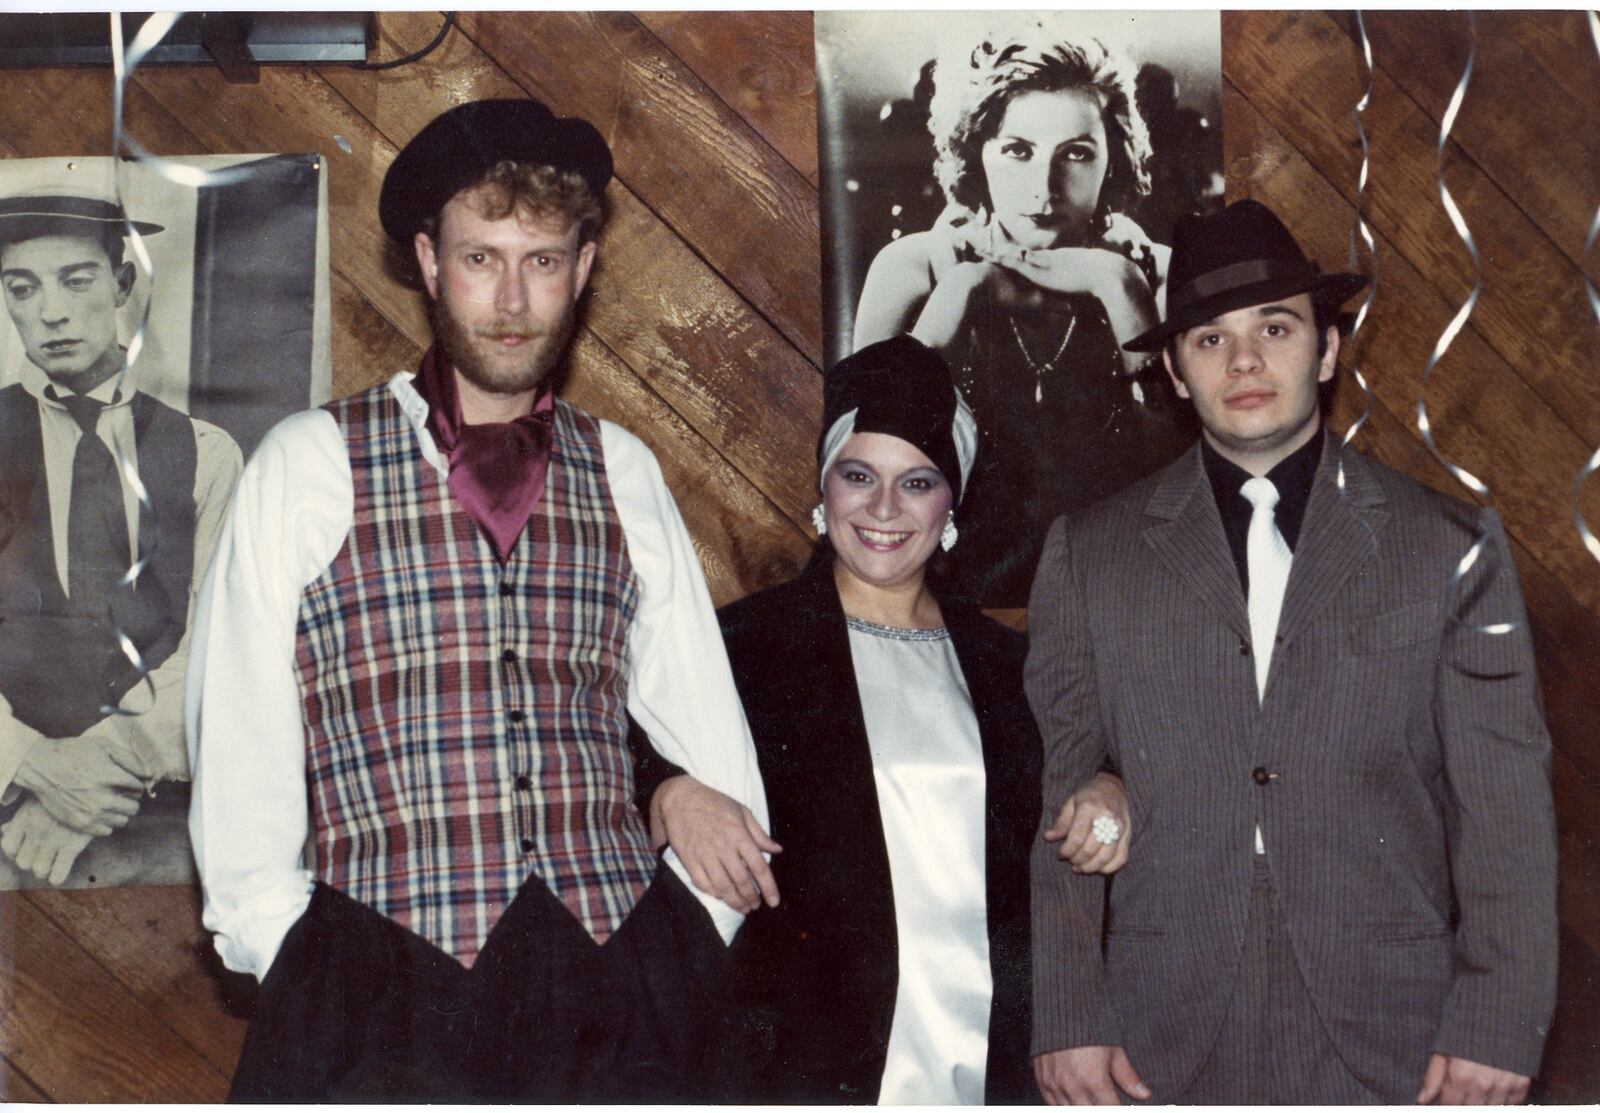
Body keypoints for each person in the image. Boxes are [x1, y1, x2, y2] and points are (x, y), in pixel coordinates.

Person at [185, 98, 769, 1102]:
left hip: (615, 997)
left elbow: (713, 743)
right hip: (382, 993)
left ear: (582, 271)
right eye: (480, 258)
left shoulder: (621, 470)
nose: (509, 299)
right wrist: (298, 955)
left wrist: (682, 938)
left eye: (541, 261)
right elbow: (236, 739)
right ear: (426, 261)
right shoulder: (309, 464)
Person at [1026, 199, 1558, 1104]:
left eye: (1274, 327)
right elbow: (1063, 794)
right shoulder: (1090, 553)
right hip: (1160, 1037)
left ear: (1327, 349)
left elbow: (1503, 806)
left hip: (1403, 1036)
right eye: (1208, 339)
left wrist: (1500, 1019)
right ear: (1173, 370)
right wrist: (1070, 1012)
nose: (1243, 361)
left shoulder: (1449, 544)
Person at [639, 335, 1132, 1103]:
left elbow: (1097, 770)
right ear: (824, 485)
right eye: (859, 475)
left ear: (953, 503)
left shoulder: (1012, 666)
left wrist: (1108, 784)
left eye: (918, 482)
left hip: (992, 1058)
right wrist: (669, 792)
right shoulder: (741, 645)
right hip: (808, 1066)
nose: (883, 508)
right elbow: (612, 741)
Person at [852, 25, 1193, 606]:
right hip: (946, 605)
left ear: (1113, 159)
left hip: (1132, 598)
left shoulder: (1157, 274)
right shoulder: (912, 269)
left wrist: (1119, 289)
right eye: (1017, 150)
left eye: (1077, 154)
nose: (1044, 188)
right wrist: (960, 294)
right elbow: (861, 476)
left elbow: (1189, 489)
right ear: (975, 152)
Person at [0, 191, 242, 889]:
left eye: (77, 279)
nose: (51, 311)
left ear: (122, 283)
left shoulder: (206, 451)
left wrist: (95, 776)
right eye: (23, 287)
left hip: (154, 819)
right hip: (9, 813)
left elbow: (224, 643)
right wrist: (27, 763)